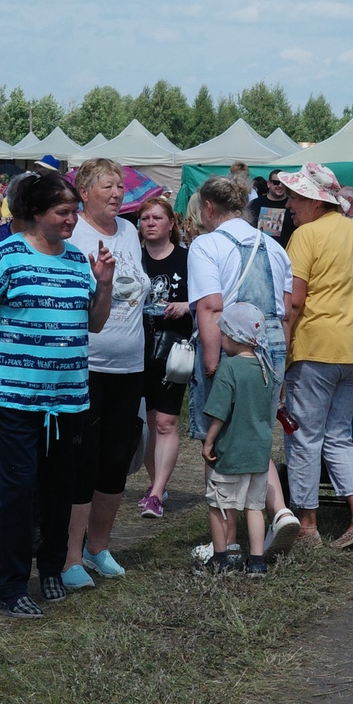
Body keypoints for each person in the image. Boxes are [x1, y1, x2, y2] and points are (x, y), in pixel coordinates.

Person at [0, 168, 115, 619]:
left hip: (66, 399)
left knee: (58, 490)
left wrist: (103, 282)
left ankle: (50, 567)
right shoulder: (7, 254)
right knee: (17, 492)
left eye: (74, 212)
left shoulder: (75, 260)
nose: (72, 220)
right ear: (36, 213)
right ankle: (11, 584)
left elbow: (95, 323)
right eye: (63, 212)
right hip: (13, 397)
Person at [279, 162, 353, 548]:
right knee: (339, 436)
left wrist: (282, 350)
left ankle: (307, 527)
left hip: (317, 348)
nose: (289, 203)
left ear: (313, 200)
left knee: (304, 436)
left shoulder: (305, 235)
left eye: (295, 196)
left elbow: (294, 302)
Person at [184, 176, 300, 548]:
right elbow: (285, 312)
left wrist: (212, 365)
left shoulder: (206, 245)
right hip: (271, 349)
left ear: (209, 208)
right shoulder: (275, 247)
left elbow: (211, 307)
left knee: (214, 442)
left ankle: (227, 540)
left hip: (230, 346)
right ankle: (278, 510)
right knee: (256, 432)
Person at [63, 158, 150, 589]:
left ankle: (99, 546)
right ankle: (70, 555)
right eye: (107, 187)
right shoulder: (74, 234)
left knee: (117, 458)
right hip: (88, 364)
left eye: (119, 187)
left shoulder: (130, 232)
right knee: (85, 459)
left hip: (130, 363)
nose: (116, 194)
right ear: (84, 192)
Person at [200, 303, 279, 574]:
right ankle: (257, 561)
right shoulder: (265, 368)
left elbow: (220, 411)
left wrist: (209, 440)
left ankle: (221, 559)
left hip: (232, 451)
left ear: (235, 337)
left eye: (223, 335)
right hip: (258, 452)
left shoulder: (229, 368)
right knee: (254, 507)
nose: (222, 341)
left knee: (219, 505)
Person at [135, 194, 193, 519]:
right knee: (145, 422)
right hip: (136, 348)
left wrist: (186, 305)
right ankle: (156, 482)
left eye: (158, 218)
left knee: (167, 420)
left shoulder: (187, 259)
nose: (151, 224)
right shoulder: (133, 260)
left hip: (175, 349)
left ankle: (156, 494)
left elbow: (207, 299)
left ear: (171, 224)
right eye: (145, 219)